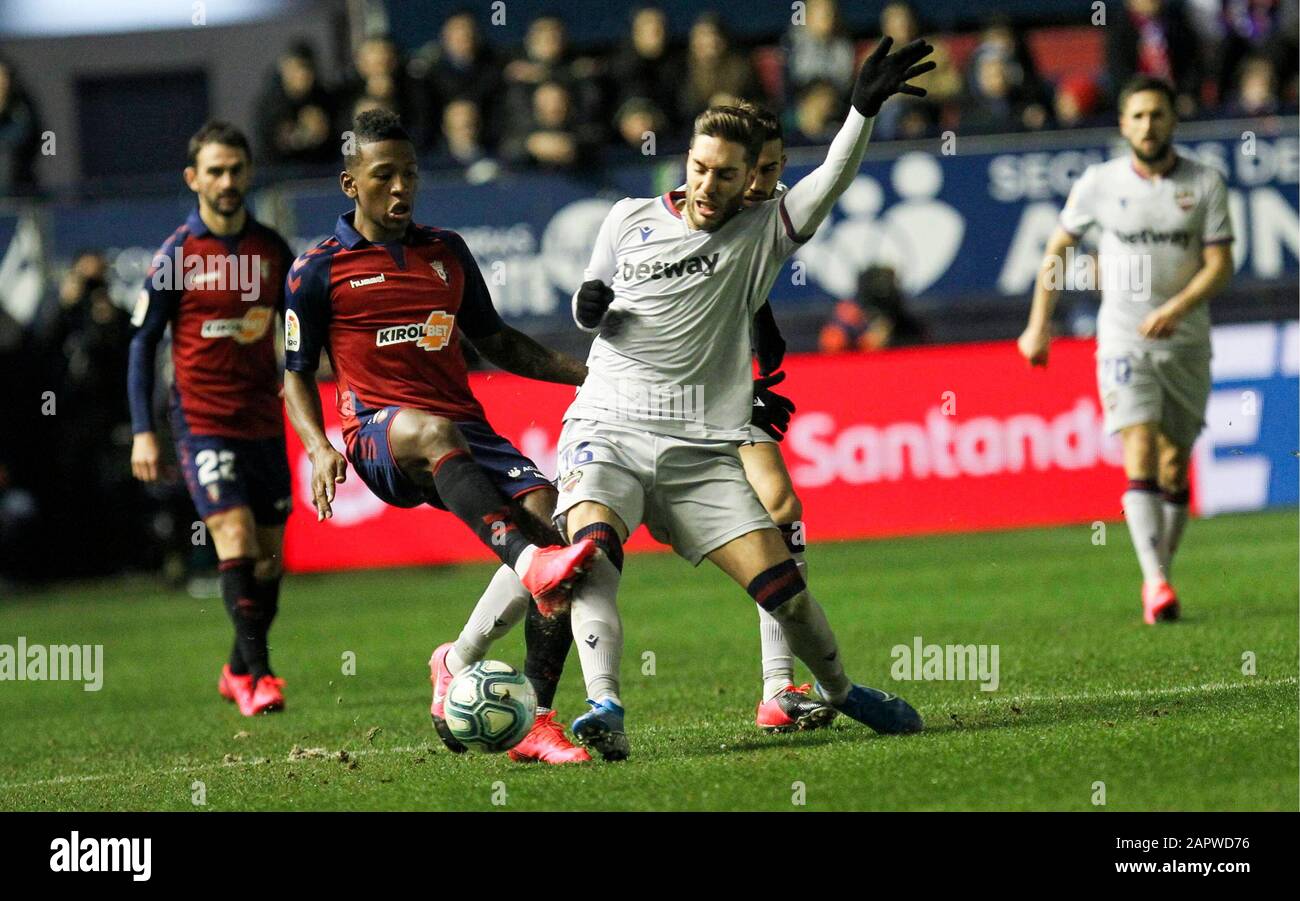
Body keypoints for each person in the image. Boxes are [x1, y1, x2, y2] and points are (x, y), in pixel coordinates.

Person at [556, 38, 936, 761]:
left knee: (785, 593)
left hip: (700, 450)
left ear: (748, 181)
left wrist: (860, 110)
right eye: (699, 168)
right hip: (609, 426)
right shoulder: (627, 217)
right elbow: (587, 305)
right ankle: (604, 702)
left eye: (724, 175)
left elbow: (833, 176)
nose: (706, 185)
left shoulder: (763, 232)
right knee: (591, 553)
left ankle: (841, 691)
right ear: (686, 161)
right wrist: (589, 301)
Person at [282, 109, 597, 764]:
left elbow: (499, 340)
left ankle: (533, 717)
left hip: (464, 427)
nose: (401, 189)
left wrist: (586, 374)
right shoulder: (316, 270)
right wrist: (318, 446)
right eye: (383, 176)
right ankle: (527, 562)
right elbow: (291, 374)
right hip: (378, 432)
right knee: (434, 434)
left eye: (410, 175)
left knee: (557, 535)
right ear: (350, 184)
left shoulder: (445, 252)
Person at [1017, 75, 1234, 624]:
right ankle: (1156, 583)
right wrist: (1038, 325)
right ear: (1123, 124)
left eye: (1157, 115)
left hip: (1185, 339)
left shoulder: (1205, 183)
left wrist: (1177, 307)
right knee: (1138, 445)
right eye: (1137, 116)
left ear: (1172, 121)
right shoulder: (1098, 183)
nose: (1147, 125)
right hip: (1121, 338)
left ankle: (1161, 566)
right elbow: (1057, 248)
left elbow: (1221, 265)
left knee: (1174, 465)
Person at [127, 122, 295, 716]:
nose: (227, 181)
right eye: (215, 171)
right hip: (202, 421)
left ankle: (235, 668)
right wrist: (144, 431)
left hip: (263, 421)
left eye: (236, 169)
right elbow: (143, 343)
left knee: (270, 557)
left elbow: (298, 337)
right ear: (193, 178)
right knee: (236, 537)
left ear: (248, 172)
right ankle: (260, 677)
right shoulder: (176, 255)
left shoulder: (273, 251)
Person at [731, 101, 836, 734]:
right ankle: (464, 657)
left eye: (773, 168)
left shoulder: (776, 208)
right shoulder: (686, 214)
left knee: (779, 508)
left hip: (721, 393)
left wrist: (758, 345)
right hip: (649, 398)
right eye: (753, 169)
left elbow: (742, 291)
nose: (761, 183)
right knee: (580, 549)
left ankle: (778, 687)